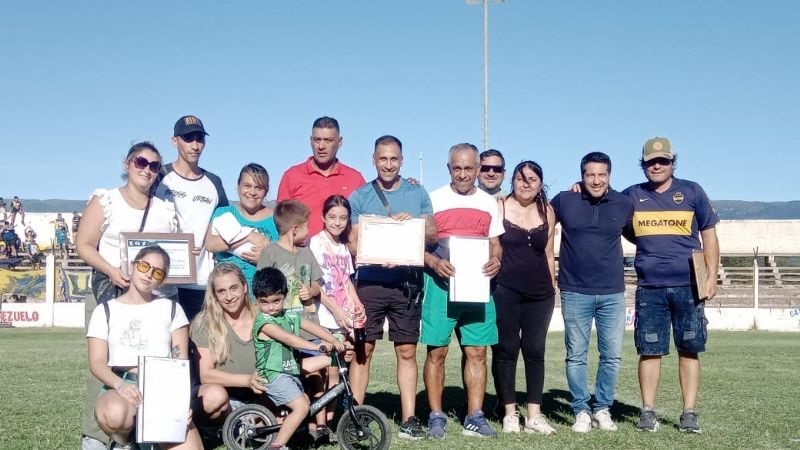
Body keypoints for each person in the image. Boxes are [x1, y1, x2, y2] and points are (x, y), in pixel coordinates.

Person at [77, 141, 179, 450]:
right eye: (141, 162)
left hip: (153, 299)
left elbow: (171, 255)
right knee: (104, 364)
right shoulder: (106, 199)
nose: (147, 169)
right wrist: (110, 270)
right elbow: (84, 244)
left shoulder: (165, 209)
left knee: (154, 364)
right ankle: (95, 434)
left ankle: (152, 430)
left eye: (153, 166)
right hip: (110, 294)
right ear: (127, 164)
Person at [623, 137, 719, 433]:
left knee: (689, 348)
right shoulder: (631, 196)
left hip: (688, 285)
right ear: (643, 165)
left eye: (662, 161)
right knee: (649, 350)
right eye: (651, 162)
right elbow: (622, 227)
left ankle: (689, 413)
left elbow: (710, 236)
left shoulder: (692, 191)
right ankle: (648, 411)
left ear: (672, 163)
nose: (657, 166)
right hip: (650, 286)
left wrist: (711, 275)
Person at [345, 135, 437, 440]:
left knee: (407, 351)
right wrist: (383, 247)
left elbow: (433, 237)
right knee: (364, 350)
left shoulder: (417, 192)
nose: (388, 164)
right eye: (382, 159)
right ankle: (356, 418)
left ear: (402, 160)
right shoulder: (360, 196)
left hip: (406, 283)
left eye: (394, 159)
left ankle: (410, 418)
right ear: (373, 160)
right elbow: (354, 242)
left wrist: (411, 227)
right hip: (370, 282)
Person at [421, 143, 503, 439]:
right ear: (449, 169)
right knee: (437, 352)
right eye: (457, 168)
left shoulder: (489, 203)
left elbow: (495, 244)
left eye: (469, 168)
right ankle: (435, 415)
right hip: (441, 285)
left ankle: (475, 415)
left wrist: (496, 261)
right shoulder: (433, 200)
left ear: (478, 169)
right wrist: (434, 261)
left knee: (477, 352)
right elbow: (418, 245)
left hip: (477, 287)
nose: (464, 174)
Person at [86, 245, 201, 450]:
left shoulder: (172, 308)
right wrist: (120, 385)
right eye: (144, 266)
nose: (149, 274)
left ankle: (153, 439)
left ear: (162, 279)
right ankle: (124, 442)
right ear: (133, 265)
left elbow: (180, 363)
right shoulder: (105, 310)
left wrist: (182, 404)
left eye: (157, 272)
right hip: (123, 383)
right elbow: (97, 363)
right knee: (115, 414)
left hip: (162, 388)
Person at [550, 152, 634, 433]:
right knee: (576, 355)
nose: (595, 180)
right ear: (581, 175)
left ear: (610, 175)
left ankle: (602, 408)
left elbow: (642, 234)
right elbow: (538, 219)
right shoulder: (565, 200)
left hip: (613, 292)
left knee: (612, 355)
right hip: (575, 291)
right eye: (589, 174)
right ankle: (581, 410)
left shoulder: (624, 203)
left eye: (601, 174)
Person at [490, 161, 557, 435]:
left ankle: (534, 415)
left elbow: (549, 252)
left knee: (535, 351)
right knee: (506, 350)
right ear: (512, 181)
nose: (526, 183)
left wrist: (553, 287)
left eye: (532, 178)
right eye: (520, 178)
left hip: (541, 293)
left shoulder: (548, 211)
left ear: (540, 183)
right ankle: (509, 413)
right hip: (505, 289)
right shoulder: (500, 206)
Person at [251, 267, 346, 450]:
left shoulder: (289, 315)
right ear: (257, 301)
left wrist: (333, 339)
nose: (271, 307)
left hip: (288, 372)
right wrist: (317, 346)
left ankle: (289, 434)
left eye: (276, 301)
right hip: (273, 374)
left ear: (285, 296)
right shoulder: (264, 323)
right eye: (265, 302)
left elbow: (311, 326)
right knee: (302, 407)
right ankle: (277, 446)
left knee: (303, 403)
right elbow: (289, 338)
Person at [255, 200, 329, 435]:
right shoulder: (270, 253)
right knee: (287, 375)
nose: (309, 231)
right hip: (281, 329)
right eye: (306, 226)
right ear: (295, 229)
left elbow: (317, 283)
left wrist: (312, 291)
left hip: (307, 325)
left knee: (317, 375)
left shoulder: (307, 252)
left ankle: (320, 425)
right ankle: (285, 422)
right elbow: (261, 287)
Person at [154, 115, 230, 322]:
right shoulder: (159, 176)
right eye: (188, 139)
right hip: (161, 280)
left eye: (199, 139)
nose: (195, 145)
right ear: (174, 140)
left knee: (198, 349)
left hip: (200, 281)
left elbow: (224, 226)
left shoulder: (214, 182)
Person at [308, 195, 364, 428]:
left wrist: (357, 304)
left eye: (342, 218)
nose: (337, 222)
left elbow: (347, 283)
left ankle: (329, 423)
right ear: (323, 217)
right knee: (319, 372)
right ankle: (316, 422)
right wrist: (336, 310)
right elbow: (316, 285)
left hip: (342, 318)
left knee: (336, 371)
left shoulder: (343, 247)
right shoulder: (316, 243)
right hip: (323, 315)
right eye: (332, 217)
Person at [190, 264, 266, 435]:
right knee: (214, 397)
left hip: (261, 394)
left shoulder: (263, 317)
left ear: (245, 287)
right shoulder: (204, 323)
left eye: (234, 288)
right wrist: (247, 380)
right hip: (225, 398)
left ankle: (245, 425)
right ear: (214, 295)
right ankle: (223, 427)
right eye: (222, 291)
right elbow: (206, 374)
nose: (229, 297)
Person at [277, 116, 366, 237]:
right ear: (310, 141)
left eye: (328, 140)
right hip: (302, 253)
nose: (321, 146)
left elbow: (364, 223)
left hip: (343, 253)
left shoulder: (355, 179)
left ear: (340, 142)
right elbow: (281, 222)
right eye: (317, 140)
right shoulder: (292, 176)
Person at [205, 163, 277, 292]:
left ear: (266, 190)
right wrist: (248, 236)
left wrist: (266, 259)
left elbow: (287, 256)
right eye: (247, 186)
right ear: (238, 186)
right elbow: (211, 245)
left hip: (263, 296)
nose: (252, 192)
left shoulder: (276, 219)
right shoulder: (224, 213)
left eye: (258, 188)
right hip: (226, 294)